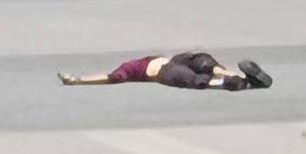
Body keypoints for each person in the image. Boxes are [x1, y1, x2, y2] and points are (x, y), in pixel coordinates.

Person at [58, 52, 272, 92]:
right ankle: (240, 80)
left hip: (172, 65)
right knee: (199, 74)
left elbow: (107, 77)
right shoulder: (124, 72)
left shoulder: (126, 68)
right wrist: (78, 80)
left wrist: (76, 80)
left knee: (201, 65)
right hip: (165, 70)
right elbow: (107, 78)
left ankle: (241, 80)